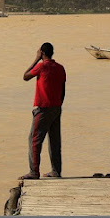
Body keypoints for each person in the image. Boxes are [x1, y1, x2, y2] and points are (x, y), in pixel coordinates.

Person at [19, 43, 66, 180]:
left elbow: (25, 76)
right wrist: (58, 105)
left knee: (34, 139)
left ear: (42, 53)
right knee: (54, 140)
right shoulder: (60, 68)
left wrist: (36, 59)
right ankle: (56, 171)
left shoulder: (42, 66)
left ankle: (34, 172)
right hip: (56, 107)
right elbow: (63, 90)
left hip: (43, 108)